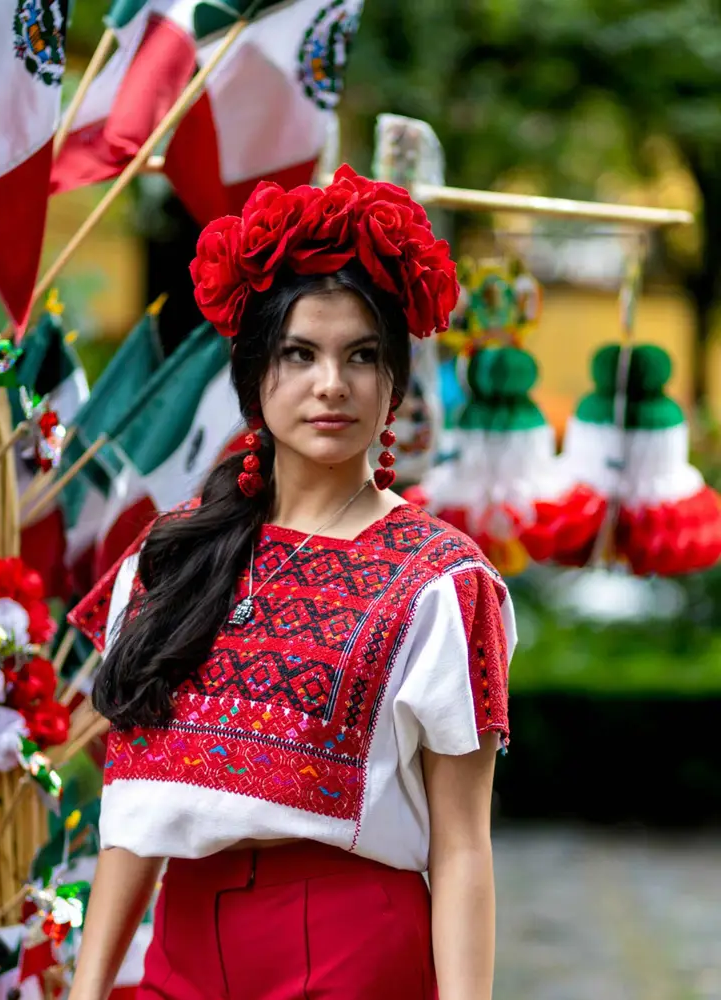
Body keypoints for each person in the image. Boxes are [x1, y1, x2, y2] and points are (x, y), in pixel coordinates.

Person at [67, 165, 516, 1000]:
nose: (331, 384)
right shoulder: (169, 559)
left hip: (348, 941)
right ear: (254, 373)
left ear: (394, 383)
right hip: (182, 944)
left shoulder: (442, 581)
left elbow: (462, 846)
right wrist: (86, 989)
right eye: (299, 353)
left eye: (362, 356)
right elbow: (135, 808)